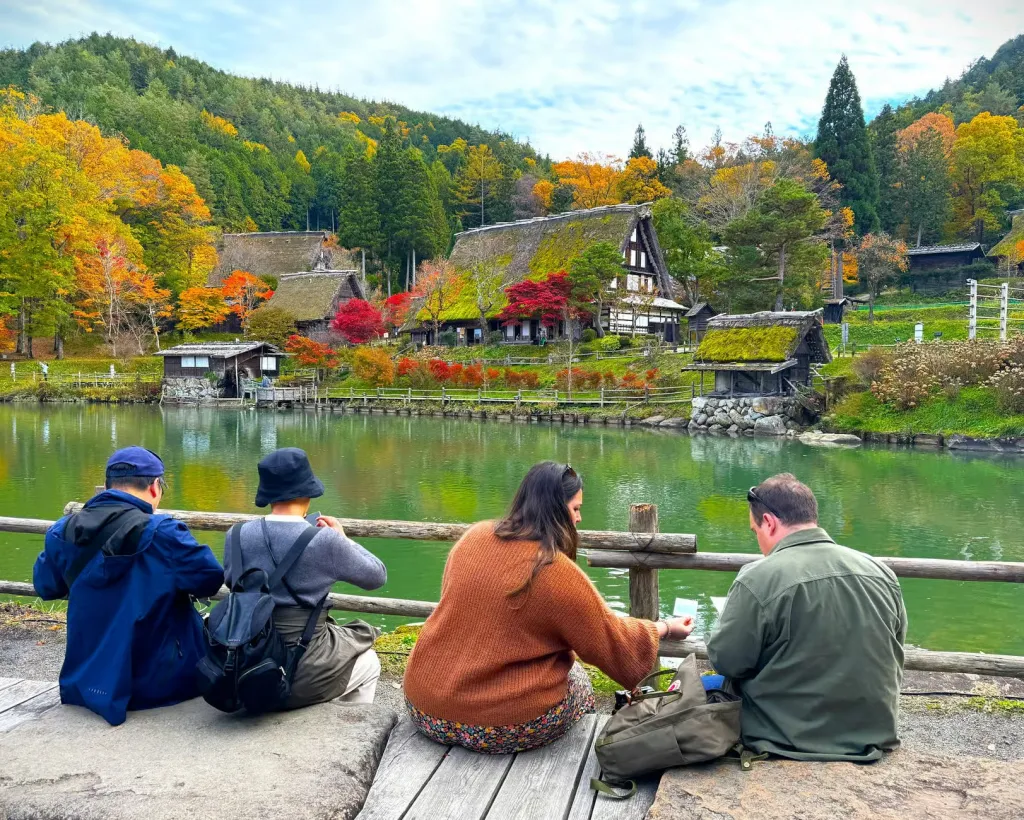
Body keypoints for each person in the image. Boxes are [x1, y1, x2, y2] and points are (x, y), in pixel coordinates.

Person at [403, 461, 693, 754]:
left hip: (424, 707)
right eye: (576, 508)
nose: (579, 518)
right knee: (577, 681)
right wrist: (664, 627)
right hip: (497, 727)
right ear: (556, 509)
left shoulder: (473, 537)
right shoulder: (553, 570)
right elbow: (612, 641)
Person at [706, 473, 907, 762]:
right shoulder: (880, 572)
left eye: (755, 531)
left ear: (769, 523)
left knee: (705, 686)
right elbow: (896, 645)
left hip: (782, 737)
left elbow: (728, 661)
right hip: (873, 734)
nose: (758, 541)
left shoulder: (758, 577)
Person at [33, 447, 224, 726]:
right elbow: (209, 578)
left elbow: (46, 586)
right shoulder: (163, 532)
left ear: (108, 486)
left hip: (83, 680)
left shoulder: (63, 530)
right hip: (159, 686)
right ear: (155, 487)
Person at [223, 448, 387, 708]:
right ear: (307, 492)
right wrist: (343, 538)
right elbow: (377, 576)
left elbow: (233, 581)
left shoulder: (236, 534)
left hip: (241, 665)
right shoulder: (324, 540)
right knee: (369, 662)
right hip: (299, 671)